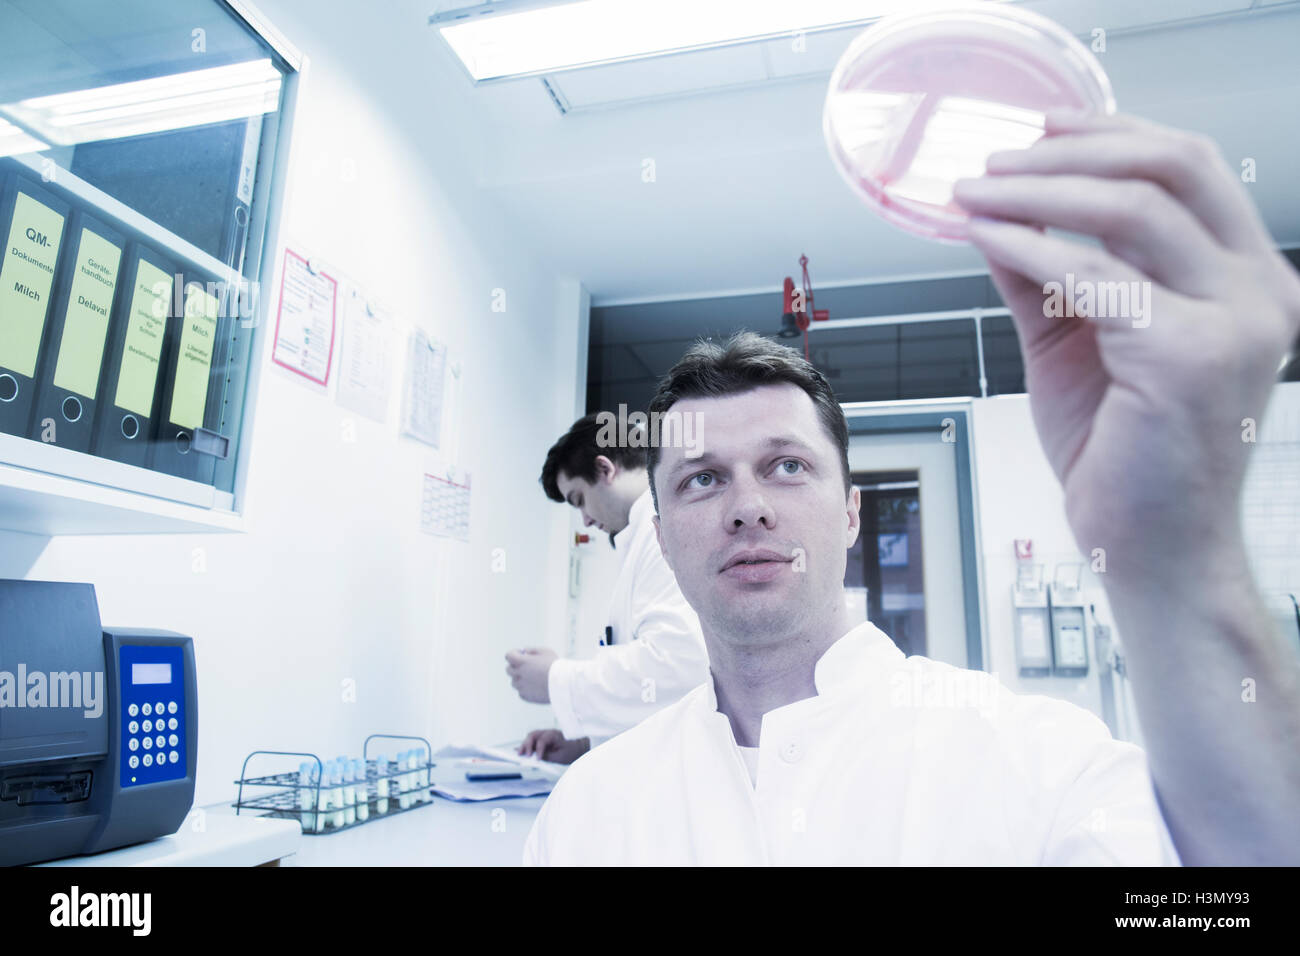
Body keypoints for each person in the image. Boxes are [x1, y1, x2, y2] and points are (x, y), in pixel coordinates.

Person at [523, 112, 1300, 864]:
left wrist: (1180, 557)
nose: (748, 505)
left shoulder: (1037, 766)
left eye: (787, 466)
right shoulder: (590, 812)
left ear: (853, 511)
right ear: (659, 536)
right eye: (701, 480)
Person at [505, 414, 709, 763]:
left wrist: (558, 679)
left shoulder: (667, 532)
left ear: (604, 469)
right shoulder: (640, 536)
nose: (583, 519)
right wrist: (585, 744)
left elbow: (679, 666)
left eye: (579, 499)